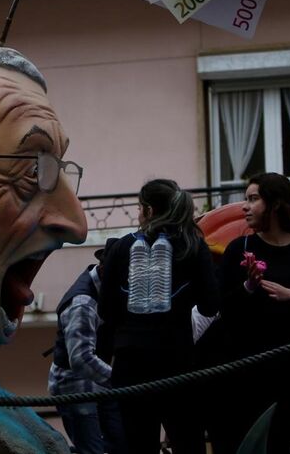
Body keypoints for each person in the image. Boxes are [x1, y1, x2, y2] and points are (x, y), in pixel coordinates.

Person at [210, 173, 290, 454]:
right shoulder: (238, 249)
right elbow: (222, 308)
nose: (244, 206)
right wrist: (249, 286)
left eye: (253, 199)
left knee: (280, 446)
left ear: (276, 204)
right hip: (244, 373)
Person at [99, 179, 219, 454]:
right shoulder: (193, 245)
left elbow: (105, 311)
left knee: (138, 445)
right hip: (177, 362)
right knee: (188, 442)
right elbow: (211, 305)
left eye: (140, 208)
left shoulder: (120, 248)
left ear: (150, 211)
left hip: (131, 366)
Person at [49, 249, 123, 454]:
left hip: (100, 383)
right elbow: (81, 359)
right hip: (76, 387)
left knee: (122, 444)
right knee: (92, 451)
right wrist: (120, 381)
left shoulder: (105, 290)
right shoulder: (83, 303)